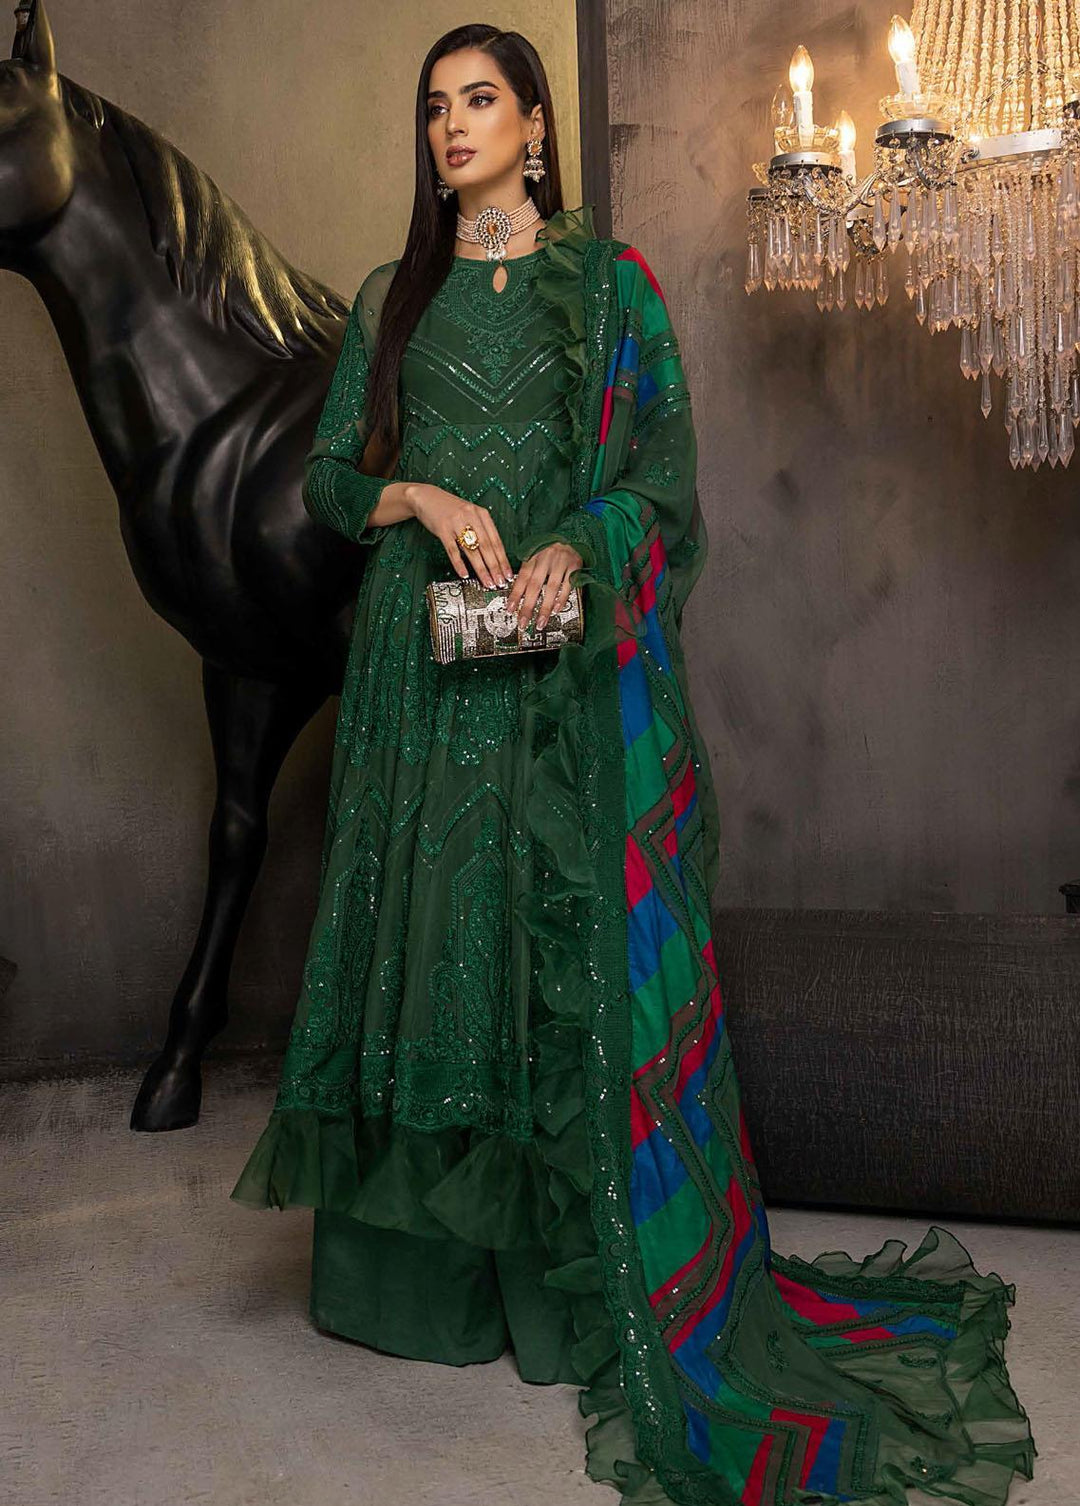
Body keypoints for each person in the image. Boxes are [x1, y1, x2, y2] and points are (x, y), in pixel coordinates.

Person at [231, 23, 1036, 1505]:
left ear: (537, 126)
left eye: (482, 100)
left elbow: (662, 478)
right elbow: (334, 478)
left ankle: (561, 1284)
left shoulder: (611, 291)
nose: (454, 126)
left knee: (545, 953)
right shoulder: (392, 298)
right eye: (435, 107)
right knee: (431, 942)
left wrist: (575, 545)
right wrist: (417, 497)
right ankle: (419, 1287)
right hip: (419, 678)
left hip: (556, 676)